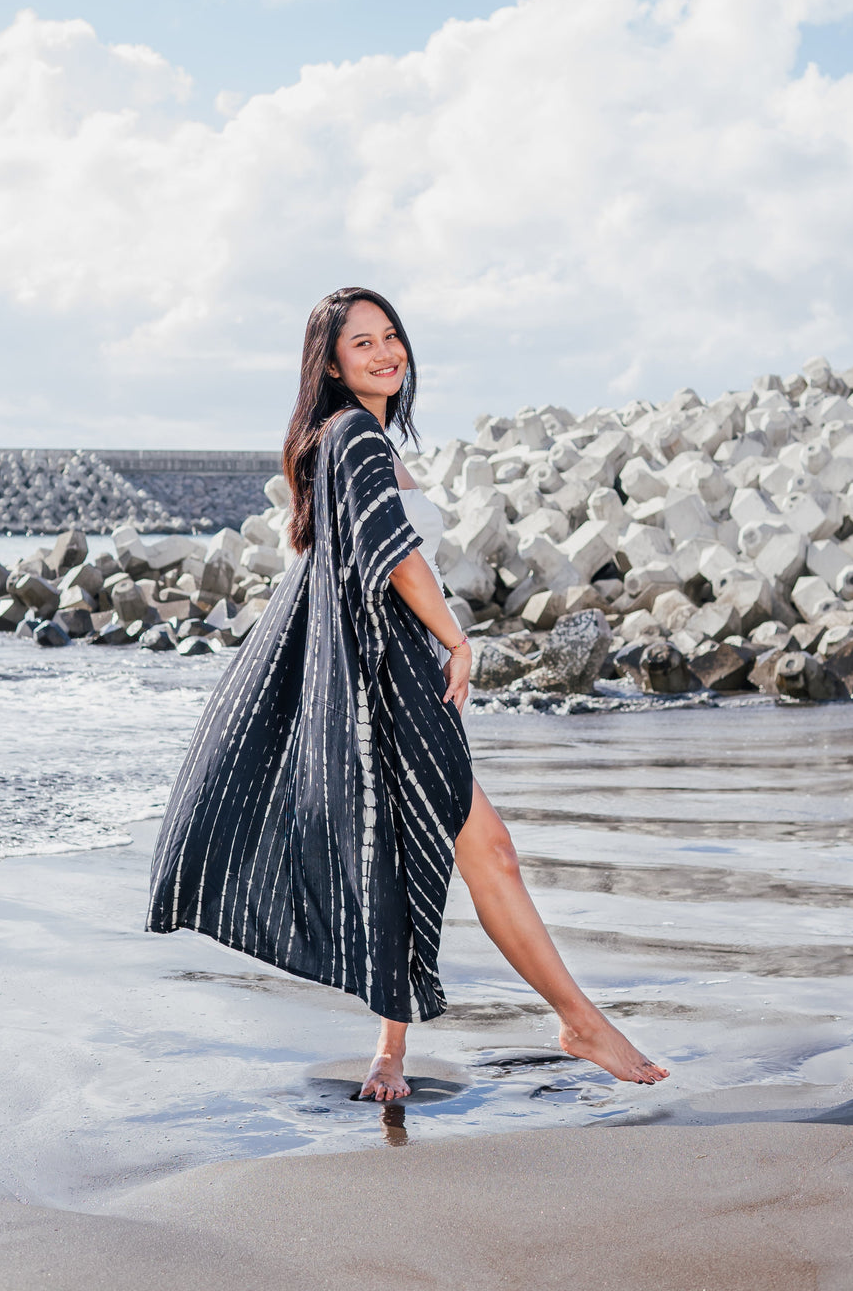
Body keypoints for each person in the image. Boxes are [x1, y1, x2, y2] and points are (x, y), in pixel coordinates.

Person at [147, 287, 669, 1101]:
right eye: (363, 343)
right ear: (330, 361)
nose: (386, 352)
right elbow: (393, 555)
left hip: (390, 674)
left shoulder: (351, 438)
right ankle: (580, 1022)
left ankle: (392, 1051)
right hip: (395, 675)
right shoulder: (352, 434)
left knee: (403, 848)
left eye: (392, 336)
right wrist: (458, 637)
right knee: (486, 849)